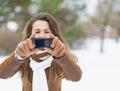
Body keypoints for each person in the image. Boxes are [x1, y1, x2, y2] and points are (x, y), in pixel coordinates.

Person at [0, 12, 82, 91]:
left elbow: (76, 77)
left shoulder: (60, 55)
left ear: (53, 34)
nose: (42, 35)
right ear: (30, 34)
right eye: (37, 31)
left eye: (46, 31)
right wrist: (19, 57)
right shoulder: (23, 54)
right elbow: (2, 74)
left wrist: (61, 57)